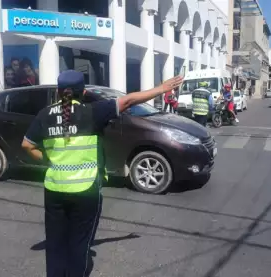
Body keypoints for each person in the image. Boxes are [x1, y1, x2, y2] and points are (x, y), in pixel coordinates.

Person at [21, 70, 183, 277]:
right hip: (85, 190)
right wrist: (162, 88)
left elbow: (27, 145)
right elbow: (130, 100)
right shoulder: (93, 112)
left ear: (59, 92)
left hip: (54, 190)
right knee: (79, 244)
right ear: (84, 92)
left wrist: (48, 160)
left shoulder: (44, 115)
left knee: (55, 243)